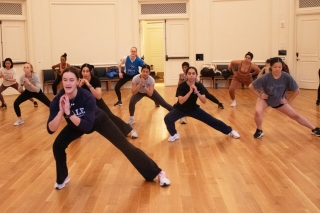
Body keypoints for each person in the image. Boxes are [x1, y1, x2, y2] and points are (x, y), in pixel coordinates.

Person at [47, 67, 170, 189]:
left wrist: (69, 114)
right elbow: (50, 129)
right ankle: (63, 177)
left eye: (71, 80)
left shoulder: (86, 97)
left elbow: (87, 126)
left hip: (99, 121)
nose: (68, 83)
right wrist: (60, 112)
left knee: (125, 146)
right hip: (75, 124)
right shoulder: (58, 100)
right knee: (58, 145)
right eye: (65, 80)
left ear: (78, 81)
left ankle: (158, 172)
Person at [249, 57, 320, 138]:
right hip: (266, 99)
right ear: (271, 67)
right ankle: (259, 130)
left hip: (279, 101)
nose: (277, 69)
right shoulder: (265, 77)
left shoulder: (286, 77)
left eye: (279, 67)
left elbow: (297, 90)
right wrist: (260, 95)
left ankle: (314, 129)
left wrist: (288, 100)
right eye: (275, 67)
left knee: (295, 116)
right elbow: (251, 86)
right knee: (258, 112)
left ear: (282, 67)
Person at [164, 66, 240, 142]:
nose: (191, 75)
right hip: (180, 109)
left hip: (193, 109)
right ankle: (174, 135)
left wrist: (197, 92)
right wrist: (190, 92)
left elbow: (204, 101)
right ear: (186, 75)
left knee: (211, 120)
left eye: (193, 73)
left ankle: (230, 131)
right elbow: (181, 101)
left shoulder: (199, 86)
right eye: (189, 73)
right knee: (168, 118)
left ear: (196, 75)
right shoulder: (182, 86)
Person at [79, 63, 138, 138]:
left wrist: (88, 85)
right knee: (77, 116)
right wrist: (79, 86)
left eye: (87, 71)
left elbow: (98, 96)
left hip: (97, 102)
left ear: (90, 72)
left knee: (110, 116)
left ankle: (130, 130)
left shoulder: (95, 80)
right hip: (85, 104)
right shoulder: (79, 81)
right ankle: (76, 134)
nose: (85, 73)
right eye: (83, 71)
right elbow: (74, 94)